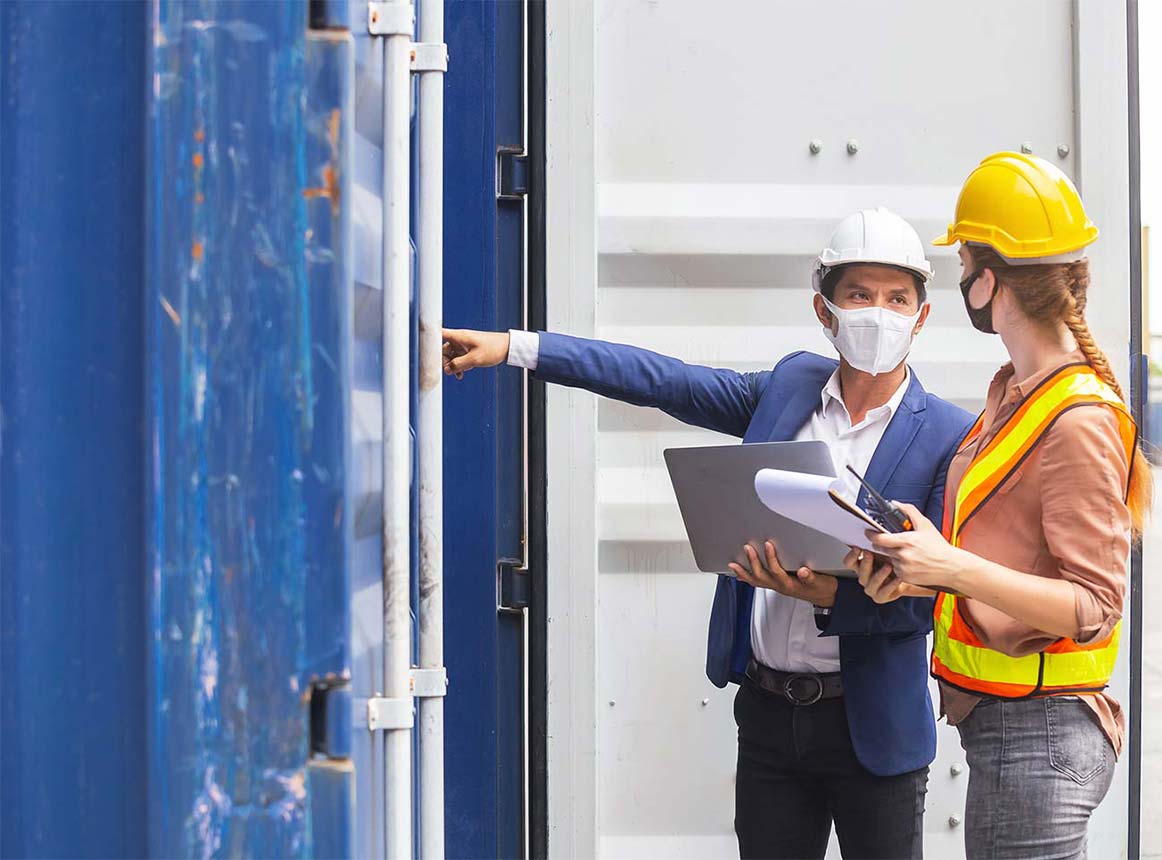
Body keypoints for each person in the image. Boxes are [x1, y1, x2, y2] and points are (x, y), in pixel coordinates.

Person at [443, 208, 974, 860]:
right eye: (859, 295)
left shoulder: (949, 435)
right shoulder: (789, 387)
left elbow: (933, 601)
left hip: (875, 730)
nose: (878, 314)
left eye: (897, 299)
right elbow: (664, 380)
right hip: (771, 717)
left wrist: (825, 598)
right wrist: (516, 347)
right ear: (824, 310)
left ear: (921, 317)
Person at [851, 153, 1154, 860]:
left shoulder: (1076, 419)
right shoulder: (1015, 395)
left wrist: (951, 566)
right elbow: (1005, 550)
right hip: (1011, 735)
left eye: (963, 265)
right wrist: (918, 566)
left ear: (989, 281)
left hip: (1040, 740)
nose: (961, 281)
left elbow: (1093, 605)